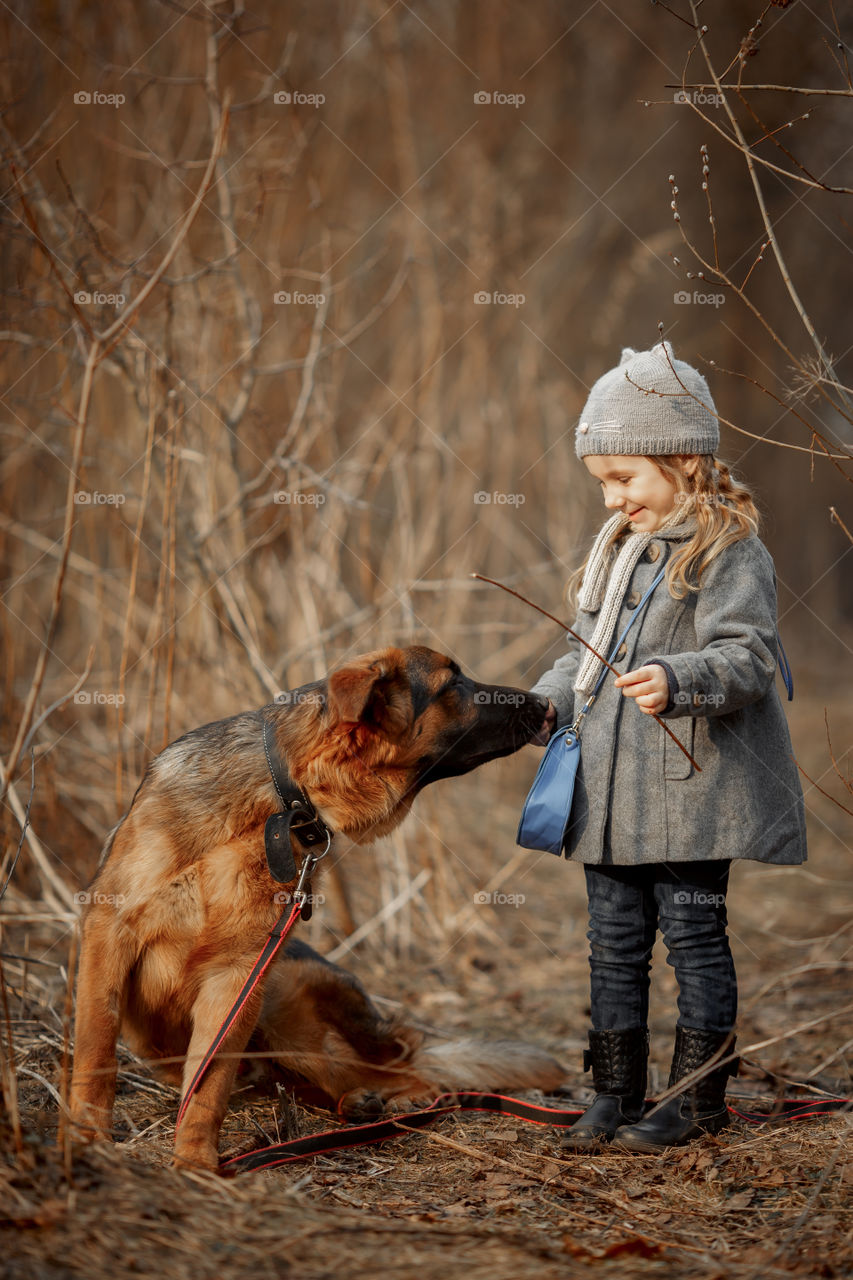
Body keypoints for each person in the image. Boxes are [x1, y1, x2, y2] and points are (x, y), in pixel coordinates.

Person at [531, 341, 807, 1153]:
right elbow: (578, 654)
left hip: (691, 793)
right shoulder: (614, 554)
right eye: (603, 484)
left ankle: (695, 1100)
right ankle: (612, 1094)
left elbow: (749, 657)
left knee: (692, 937)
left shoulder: (727, 549)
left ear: (683, 459)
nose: (613, 500)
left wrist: (674, 676)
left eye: (624, 479)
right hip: (611, 796)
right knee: (612, 946)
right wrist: (539, 708)